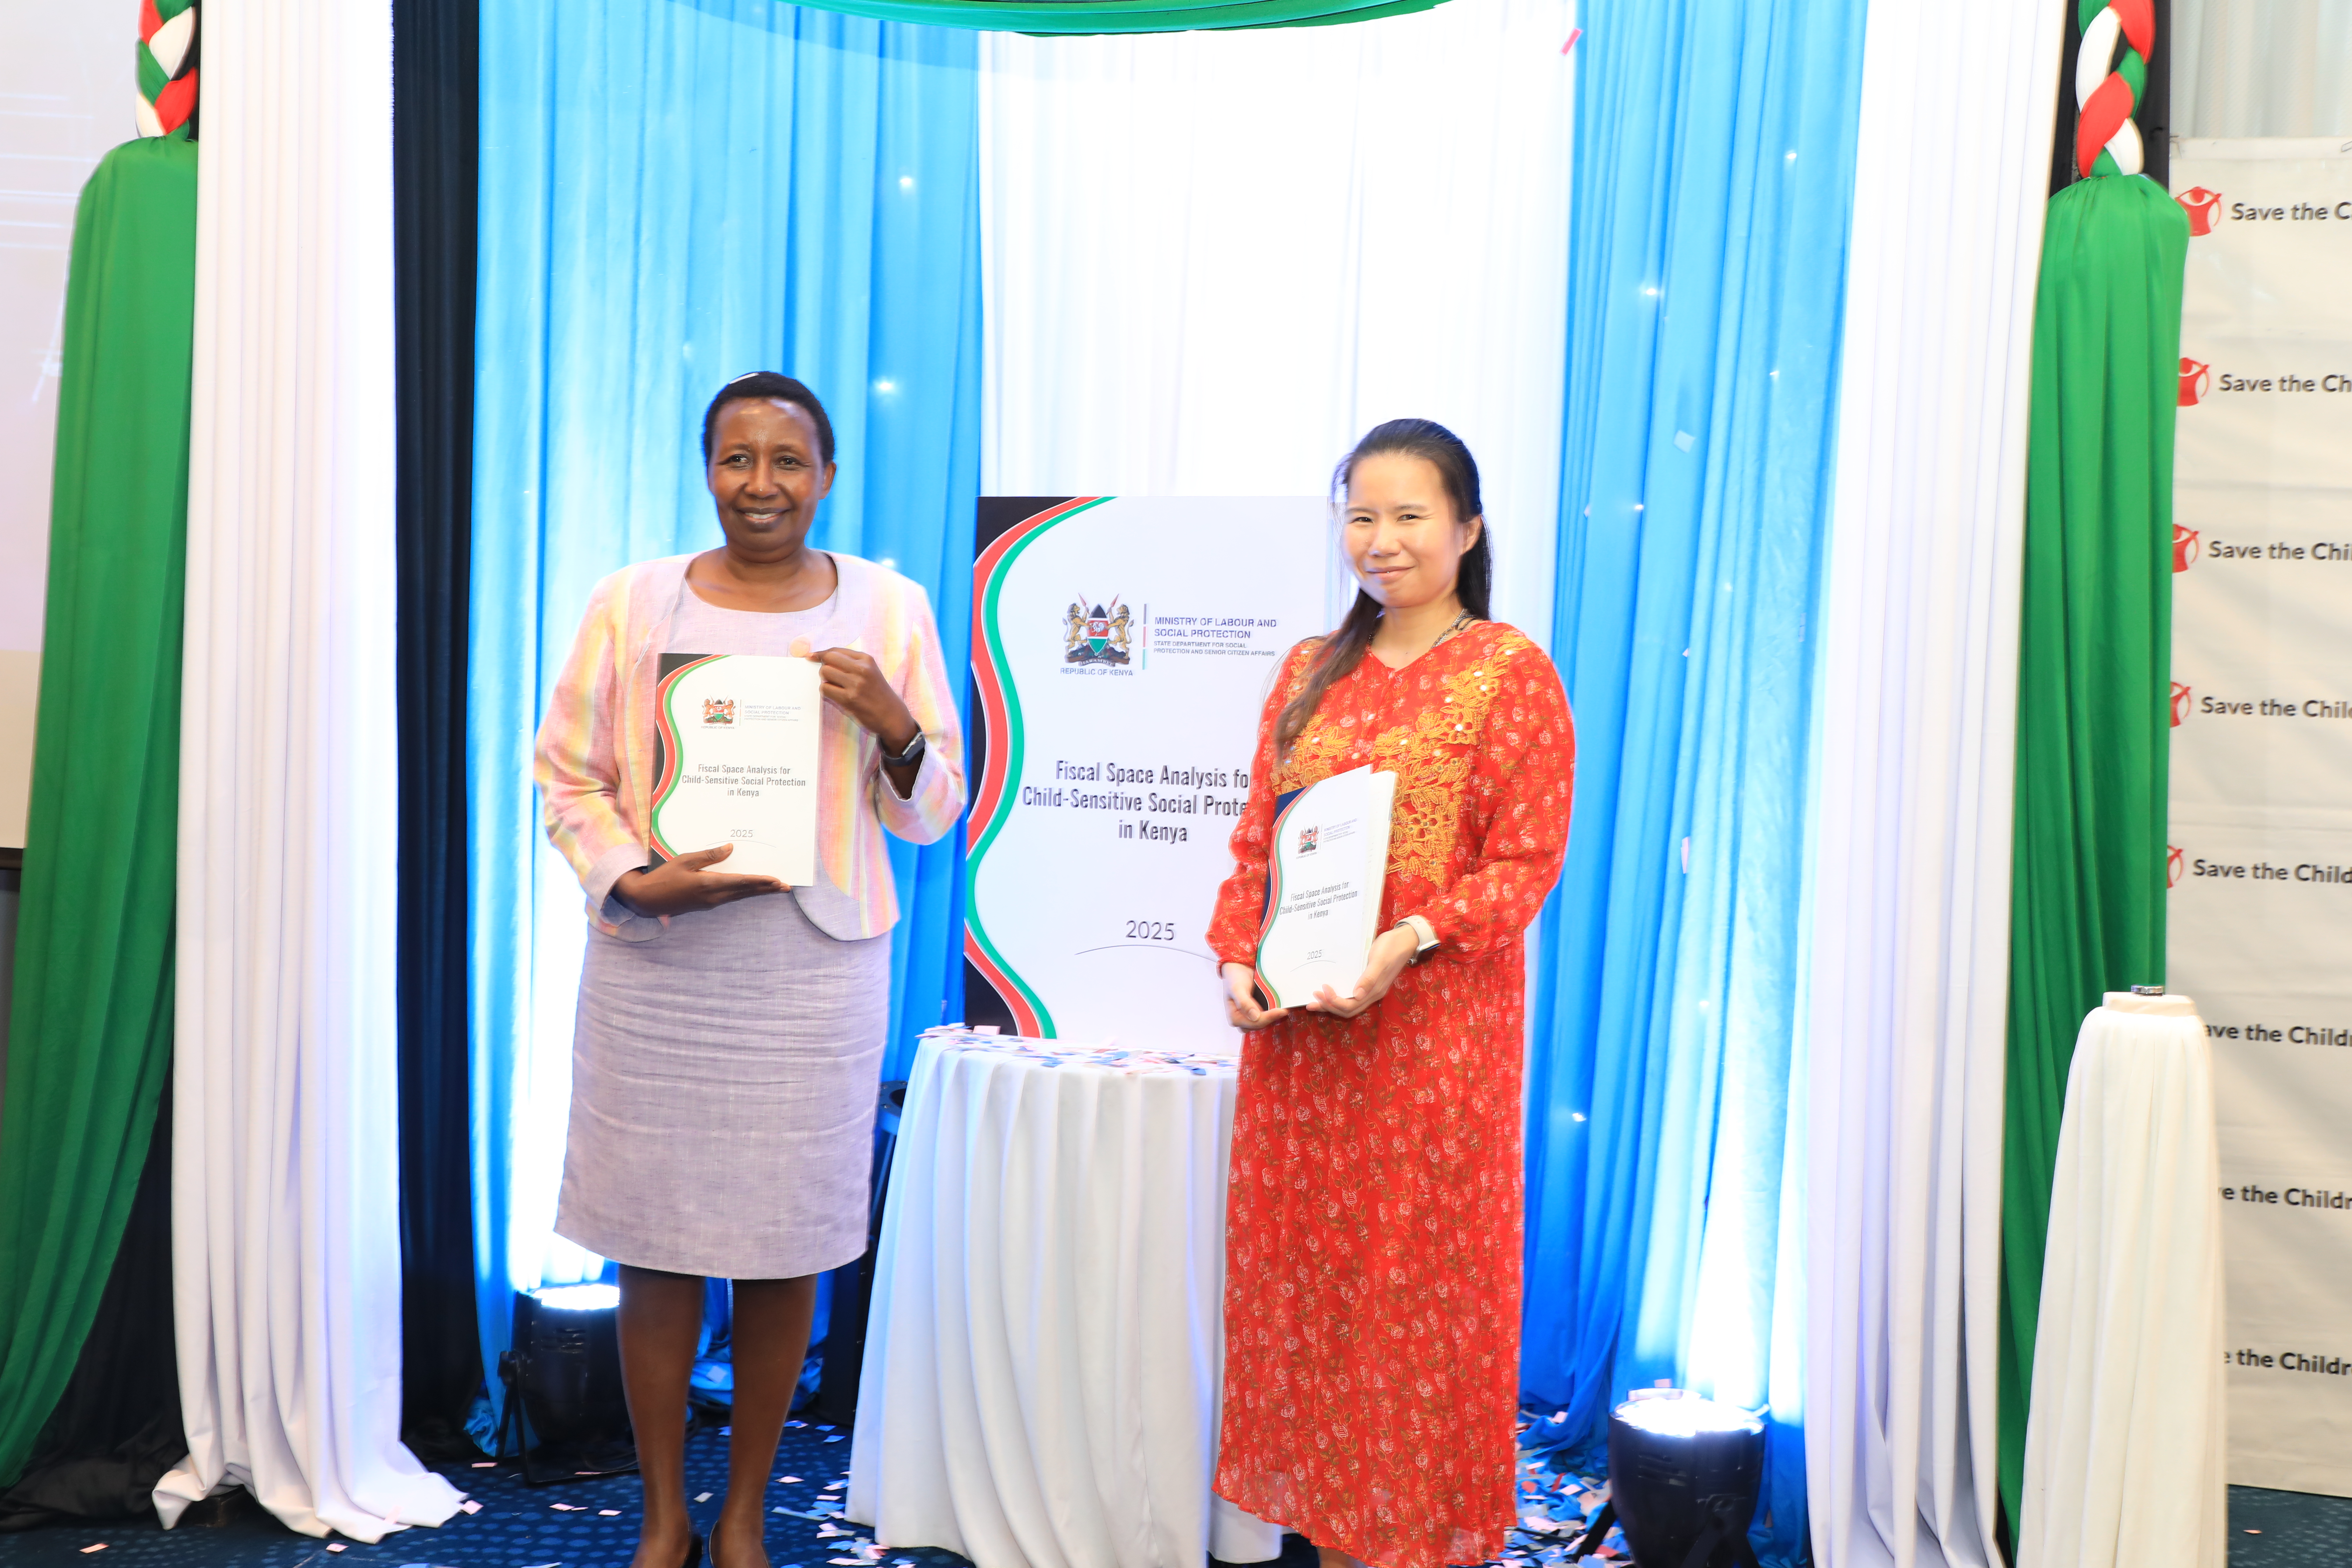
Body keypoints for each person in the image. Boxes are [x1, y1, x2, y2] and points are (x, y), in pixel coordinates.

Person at [535, 372, 965, 1568]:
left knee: (788, 1242)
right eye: (737, 460)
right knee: (656, 1238)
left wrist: (894, 718)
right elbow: (567, 774)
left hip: (813, 970)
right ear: (707, 471)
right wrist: (633, 874)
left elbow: (933, 814)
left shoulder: (889, 610)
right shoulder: (633, 604)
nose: (760, 485)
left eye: (787, 462)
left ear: (826, 479)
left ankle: (744, 1515)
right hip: (661, 965)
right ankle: (666, 1513)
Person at [1206, 419, 1574, 1568]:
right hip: (1304, 1059)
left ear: (1467, 530)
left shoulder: (1509, 672)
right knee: (1308, 1307)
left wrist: (1412, 937)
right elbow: (1255, 849)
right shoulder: (1308, 671)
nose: (1382, 539)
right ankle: (1324, 1535)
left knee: (1416, 1307)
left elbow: (1525, 863)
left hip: (1435, 1047)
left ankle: (1410, 1546)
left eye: (1411, 515)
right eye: (1361, 515)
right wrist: (1236, 958)